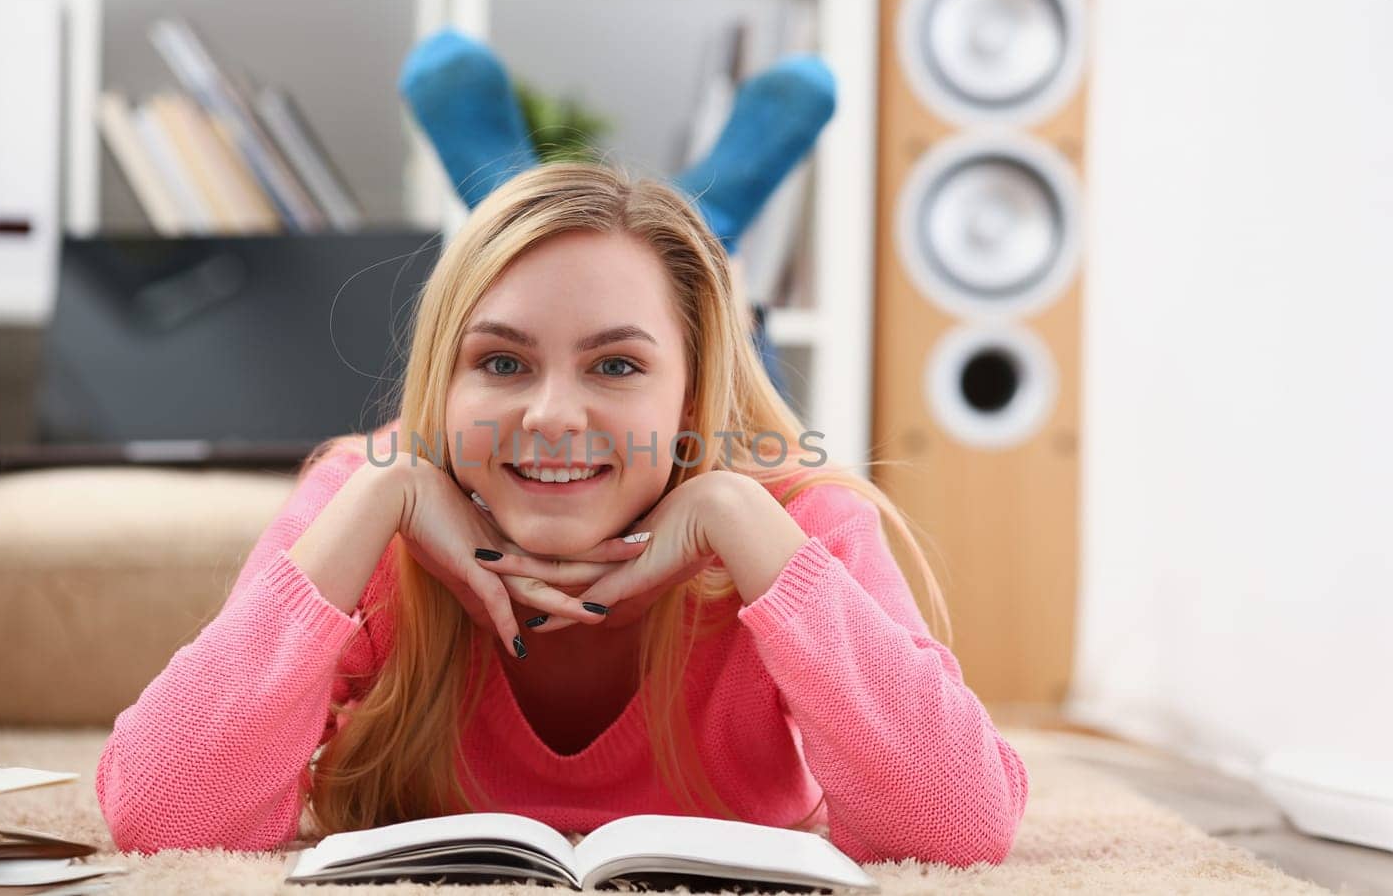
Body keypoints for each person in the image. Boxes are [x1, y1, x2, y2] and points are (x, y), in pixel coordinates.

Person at [94, 162, 1029, 868]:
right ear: (442, 384)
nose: (551, 416)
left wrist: (741, 521)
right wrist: (380, 495)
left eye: (617, 366)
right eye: (501, 362)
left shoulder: (789, 524)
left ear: (693, 395)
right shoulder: (366, 507)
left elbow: (957, 830)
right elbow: (163, 818)